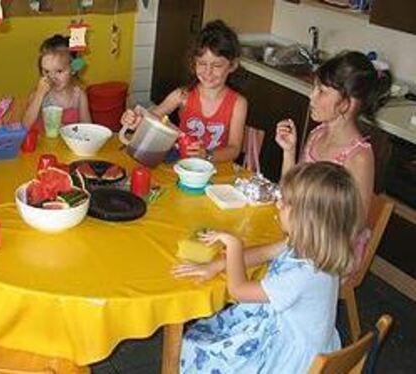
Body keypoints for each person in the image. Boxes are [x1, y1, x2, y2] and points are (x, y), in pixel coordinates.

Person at [172, 161, 363, 373]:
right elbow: (262, 253)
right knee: (209, 333)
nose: (278, 205)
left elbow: (239, 290)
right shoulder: (311, 246)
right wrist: (217, 265)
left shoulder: (304, 274)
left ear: (309, 219)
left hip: (291, 361)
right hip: (295, 335)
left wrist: (234, 246)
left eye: (287, 203)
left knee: (196, 345)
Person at [275, 50, 391, 270]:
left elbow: (354, 225)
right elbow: (291, 191)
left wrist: (304, 236)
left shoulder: (358, 157)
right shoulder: (317, 134)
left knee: (270, 264)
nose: (312, 96)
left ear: (346, 103)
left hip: (333, 251)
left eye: (322, 91)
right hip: (302, 232)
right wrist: (288, 152)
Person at [120, 20, 247, 162]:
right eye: (202, 63)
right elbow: (153, 116)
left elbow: (234, 149)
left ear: (232, 65)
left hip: (216, 169)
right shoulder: (182, 95)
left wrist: (207, 155)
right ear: (194, 63)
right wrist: (137, 120)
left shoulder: (238, 103)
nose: (208, 72)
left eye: (217, 65)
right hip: (182, 166)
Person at [22, 34, 92, 131]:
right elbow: (25, 126)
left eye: (59, 71)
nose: (52, 77)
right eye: (46, 71)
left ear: (73, 68)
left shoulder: (79, 95)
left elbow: (88, 128)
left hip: (68, 144)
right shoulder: (40, 94)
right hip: (42, 144)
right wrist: (39, 95)